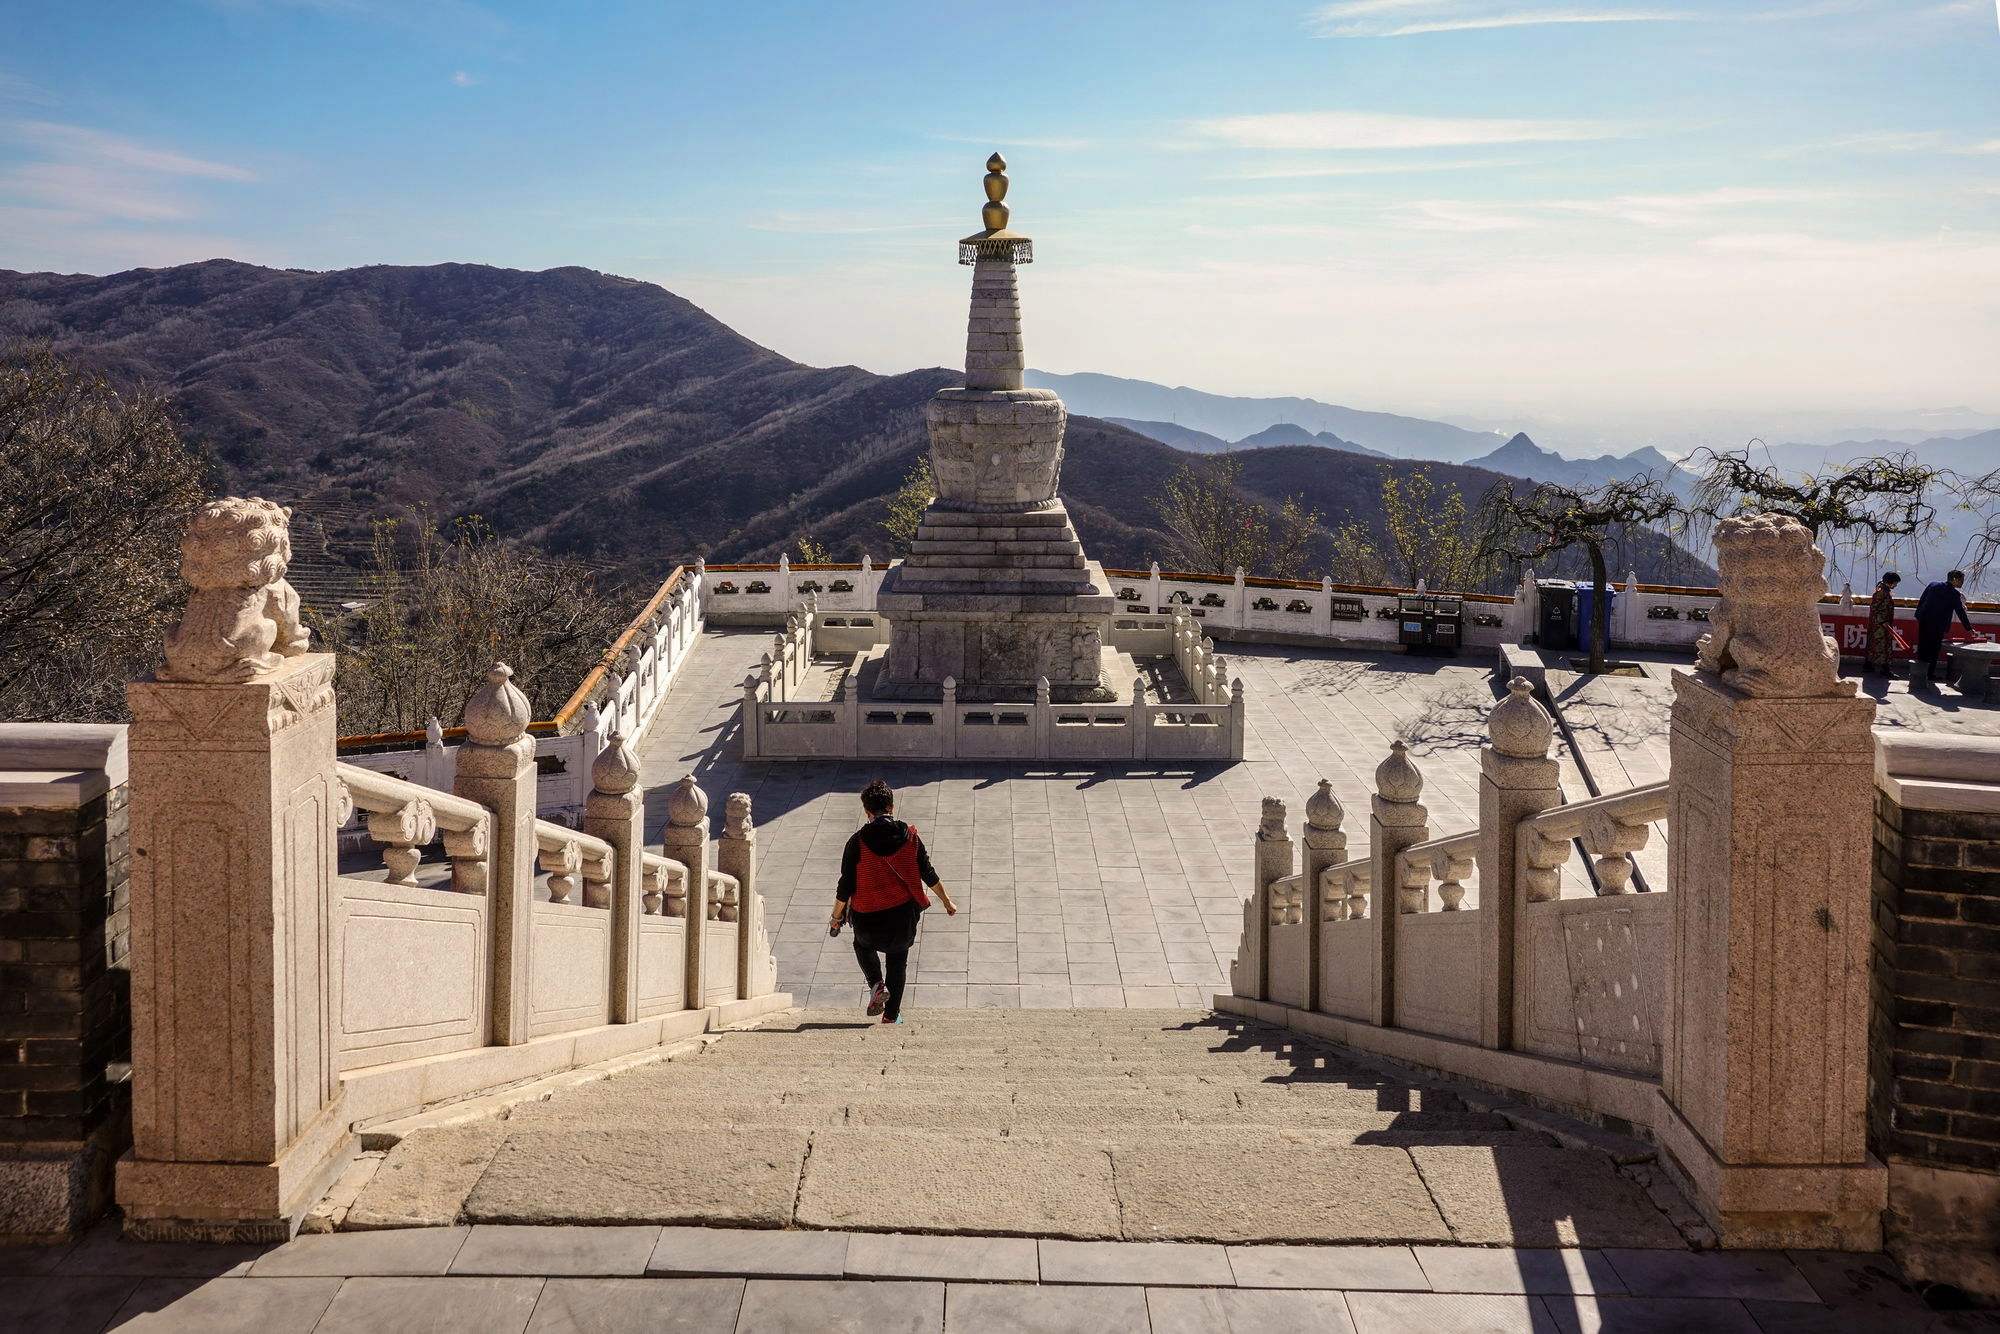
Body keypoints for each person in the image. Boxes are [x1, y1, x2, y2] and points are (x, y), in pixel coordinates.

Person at [829, 779, 956, 1024]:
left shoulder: (856, 842)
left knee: (862, 946)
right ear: (892, 807)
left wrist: (836, 918)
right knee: (898, 961)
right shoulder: (910, 837)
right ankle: (891, 1016)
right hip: (902, 918)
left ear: (867, 811)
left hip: (867, 919)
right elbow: (927, 873)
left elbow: (845, 887)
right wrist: (947, 902)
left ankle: (876, 983)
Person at [1914, 571, 1974, 684]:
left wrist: (1919, 616)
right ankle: (1929, 674)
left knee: (1922, 648)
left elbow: (1921, 601)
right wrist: (1969, 629)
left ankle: (1918, 675)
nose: (1962, 583)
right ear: (1955, 579)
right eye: (1961, 580)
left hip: (1924, 622)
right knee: (1934, 650)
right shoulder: (1954, 594)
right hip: (1938, 626)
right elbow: (1960, 612)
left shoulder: (1932, 585)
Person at [1866, 572, 1902, 677]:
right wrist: (1882, 621)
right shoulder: (1881, 592)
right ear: (1890, 582)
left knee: (1874, 645)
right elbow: (1874, 608)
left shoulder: (1883, 590)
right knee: (1884, 646)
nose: (1895, 585)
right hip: (1880, 624)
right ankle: (1885, 669)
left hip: (1880, 623)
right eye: (1895, 583)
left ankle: (1869, 665)